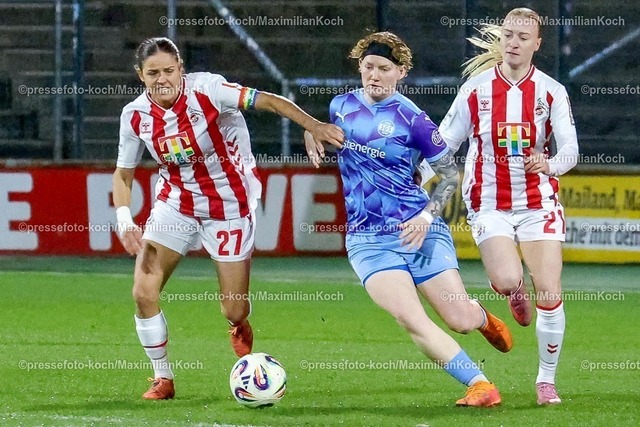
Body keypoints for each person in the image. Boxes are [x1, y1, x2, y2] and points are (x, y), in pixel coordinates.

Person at [112, 37, 343, 400]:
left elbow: (270, 100)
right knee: (143, 291)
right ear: (140, 75)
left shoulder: (209, 90)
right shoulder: (135, 116)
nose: (162, 79)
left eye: (169, 70)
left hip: (229, 206)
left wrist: (313, 125)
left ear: (181, 69)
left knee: (233, 307)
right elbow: (123, 175)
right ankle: (162, 377)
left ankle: (239, 323)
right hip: (176, 204)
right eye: (153, 73)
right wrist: (125, 220)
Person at [305, 31, 513, 407]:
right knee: (411, 318)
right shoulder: (340, 106)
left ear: (401, 72)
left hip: (419, 230)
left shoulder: (413, 120)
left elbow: (449, 176)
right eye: (368, 66)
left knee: (459, 320)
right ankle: (480, 384)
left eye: (384, 68)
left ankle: (480, 317)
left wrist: (425, 217)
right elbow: (325, 130)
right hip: (367, 240)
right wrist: (312, 133)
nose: (374, 75)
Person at [439, 8, 579, 405]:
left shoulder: (551, 91)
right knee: (504, 279)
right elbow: (445, 141)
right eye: (508, 35)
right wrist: (415, 171)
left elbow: (570, 149)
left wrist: (550, 164)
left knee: (549, 290)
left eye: (522, 37)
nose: (513, 43)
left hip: (538, 202)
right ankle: (513, 289)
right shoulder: (476, 90)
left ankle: (546, 381)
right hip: (489, 202)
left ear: (537, 44)